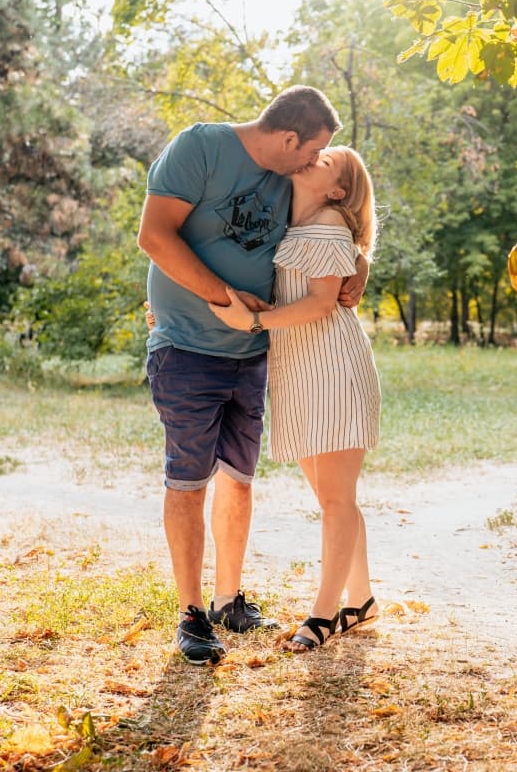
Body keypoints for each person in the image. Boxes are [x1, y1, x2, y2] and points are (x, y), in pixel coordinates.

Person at [139, 85, 368, 665]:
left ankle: (227, 598)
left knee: (239, 478)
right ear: (289, 139)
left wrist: (359, 260)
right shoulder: (200, 148)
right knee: (188, 479)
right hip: (189, 348)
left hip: (251, 356)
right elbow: (154, 236)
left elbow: (339, 209)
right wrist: (227, 302)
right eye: (311, 152)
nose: (312, 163)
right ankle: (192, 615)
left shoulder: (287, 177)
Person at [208, 145, 381, 653]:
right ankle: (361, 601)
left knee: (335, 500)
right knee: (336, 498)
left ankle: (324, 616)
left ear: (338, 190)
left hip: (332, 368)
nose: (312, 157)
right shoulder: (294, 217)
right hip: (302, 370)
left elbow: (323, 302)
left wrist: (254, 321)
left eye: (326, 160)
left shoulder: (326, 221)